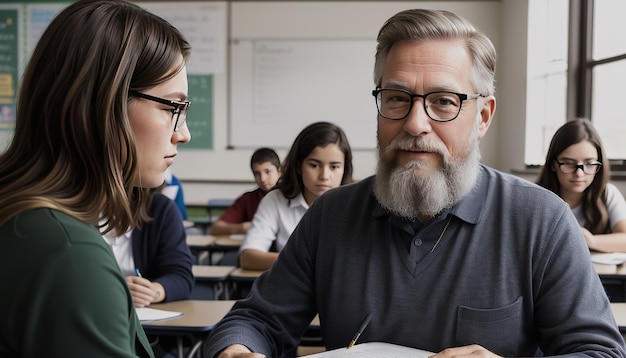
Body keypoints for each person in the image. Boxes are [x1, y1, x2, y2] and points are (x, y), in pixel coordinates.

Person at [204, 9, 626, 358]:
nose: (415, 124)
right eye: (397, 98)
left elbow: (599, 352)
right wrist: (238, 349)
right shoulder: (330, 216)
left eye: (444, 101)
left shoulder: (541, 220)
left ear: (482, 116)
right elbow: (254, 320)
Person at [0, 0, 191, 356]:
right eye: (171, 108)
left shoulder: (24, 212)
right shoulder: (69, 254)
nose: (184, 133)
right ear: (104, 103)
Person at [238, 122, 353, 271]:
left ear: (345, 168)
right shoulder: (276, 200)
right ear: (299, 165)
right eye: (314, 165)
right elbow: (247, 257)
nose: (325, 176)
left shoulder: (358, 204)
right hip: (291, 289)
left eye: (334, 167)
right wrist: (307, 262)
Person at [537, 118, 626, 252]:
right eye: (569, 163)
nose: (579, 173)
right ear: (553, 164)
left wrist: (591, 240)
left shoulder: (608, 194)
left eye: (589, 164)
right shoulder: (535, 198)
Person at [103, 190, 194, 308]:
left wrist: (151, 292)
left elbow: (181, 276)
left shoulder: (160, 208)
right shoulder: (75, 213)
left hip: (144, 318)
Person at [210, 148, 282, 236]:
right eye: (257, 173)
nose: (262, 179)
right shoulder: (248, 199)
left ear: (279, 171)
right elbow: (216, 228)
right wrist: (242, 228)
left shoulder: (291, 196)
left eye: (267, 172)